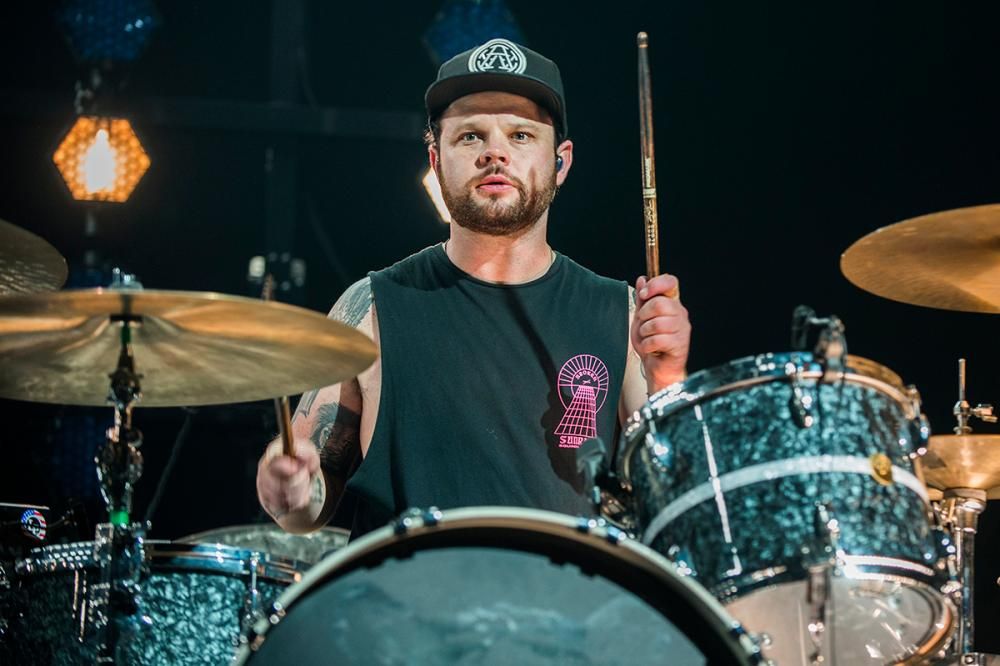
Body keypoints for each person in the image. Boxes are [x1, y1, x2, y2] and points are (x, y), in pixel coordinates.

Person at [256, 38, 691, 537]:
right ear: (436, 160)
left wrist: (668, 378)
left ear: (561, 162)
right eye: (470, 137)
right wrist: (288, 490)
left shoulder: (621, 314)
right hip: (410, 584)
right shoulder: (371, 308)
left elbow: (674, 503)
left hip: (566, 585)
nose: (494, 153)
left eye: (521, 135)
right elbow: (307, 505)